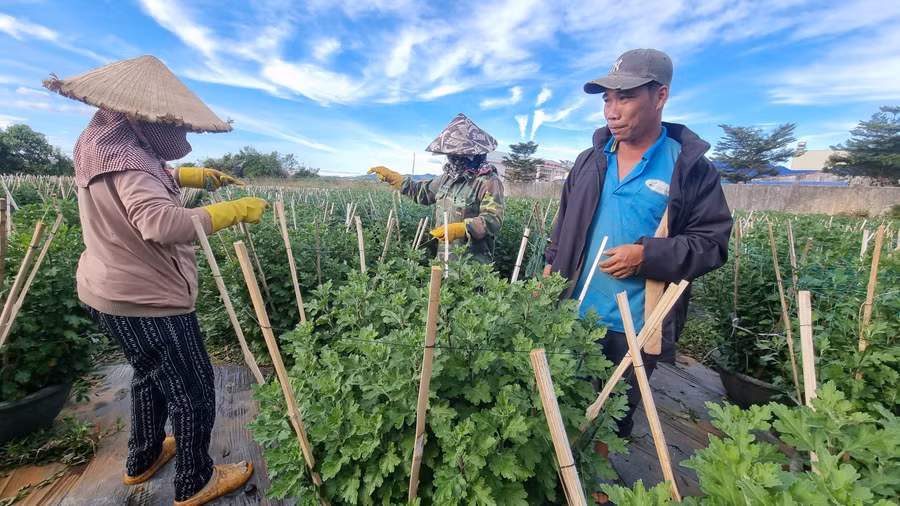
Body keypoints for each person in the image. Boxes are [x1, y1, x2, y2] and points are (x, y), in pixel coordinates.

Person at [45, 55, 267, 506]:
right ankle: (195, 481)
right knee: (195, 391)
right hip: (148, 300)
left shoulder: (101, 140)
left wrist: (189, 177)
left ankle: (142, 458)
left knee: (150, 375)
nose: (181, 136)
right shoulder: (129, 159)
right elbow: (160, 224)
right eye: (174, 125)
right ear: (143, 119)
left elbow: (134, 176)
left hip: (106, 290)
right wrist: (231, 210)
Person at [542, 49, 732, 502]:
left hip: (635, 321)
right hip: (573, 310)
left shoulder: (690, 169)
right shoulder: (590, 161)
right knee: (563, 399)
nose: (612, 110)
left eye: (624, 98)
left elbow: (712, 244)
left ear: (660, 95)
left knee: (614, 410)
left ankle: (597, 483)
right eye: (607, 99)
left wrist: (647, 256)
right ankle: (558, 478)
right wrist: (548, 270)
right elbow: (563, 225)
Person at [368, 113, 504, 264]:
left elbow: (493, 220)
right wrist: (394, 178)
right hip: (443, 258)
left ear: (472, 153)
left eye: (456, 154)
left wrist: (462, 228)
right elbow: (422, 192)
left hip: (471, 266)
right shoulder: (447, 178)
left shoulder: (488, 182)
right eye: (450, 154)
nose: (452, 158)